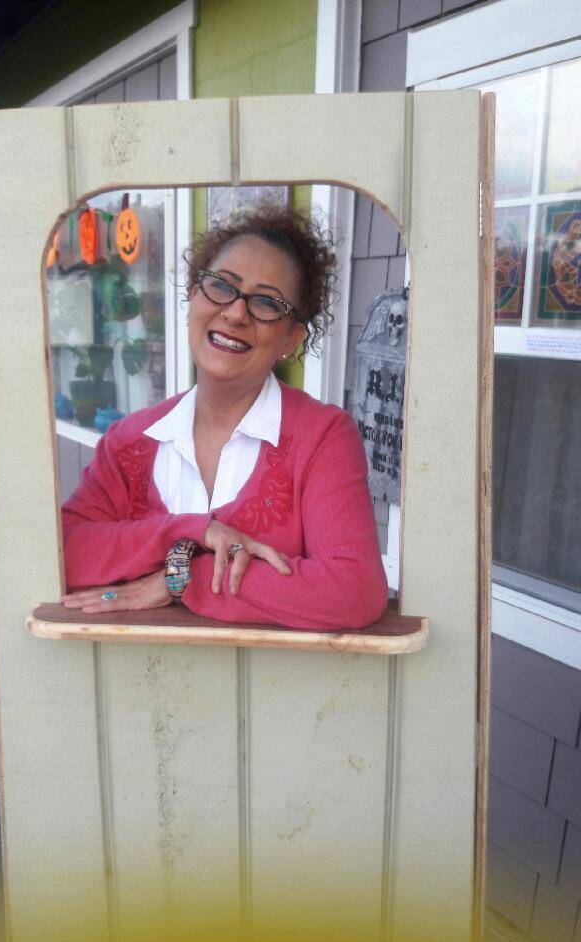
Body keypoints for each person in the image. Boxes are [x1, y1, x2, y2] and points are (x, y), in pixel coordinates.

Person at [61, 205, 388, 630]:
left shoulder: (321, 437)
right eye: (221, 286)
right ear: (193, 297)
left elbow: (354, 591)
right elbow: (64, 552)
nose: (235, 313)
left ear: (291, 338)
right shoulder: (128, 440)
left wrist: (180, 578)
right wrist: (193, 532)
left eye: (267, 302)